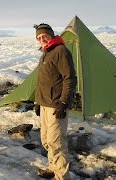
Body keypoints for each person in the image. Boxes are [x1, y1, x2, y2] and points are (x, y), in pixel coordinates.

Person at [34, 23, 77, 179]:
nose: (42, 39)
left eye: (44, 35)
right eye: (39, 37)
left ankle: (61, 176)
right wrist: (38, 102)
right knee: (46, 140)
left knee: (56, 142)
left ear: (51, 35)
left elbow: (70, 79)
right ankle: (53, 168)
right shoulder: (46, 53)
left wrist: (64, 103)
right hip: (45, 104)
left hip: (56, 105)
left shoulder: (60, 51)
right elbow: (43, 81)